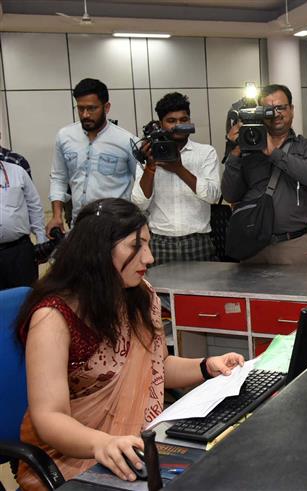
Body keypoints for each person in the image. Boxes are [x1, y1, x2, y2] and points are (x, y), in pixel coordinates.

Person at [14, 198, 244, 489]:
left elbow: (156, 366)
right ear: (98, 250)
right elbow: (49, 417)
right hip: (70, 459)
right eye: (136, 245)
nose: (148, 257)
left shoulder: (138, 295)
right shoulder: (53, 318)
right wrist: (103, 443)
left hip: (132, 446)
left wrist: (206, 366)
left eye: (147, 245)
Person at [222, 84, 307, 266]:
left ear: (291, 110)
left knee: (298, 294)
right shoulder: (247, 150)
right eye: (268, 110)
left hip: (294, 245)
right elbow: (230, 194)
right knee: (252, 295)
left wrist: (273, 152)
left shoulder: (306, 146)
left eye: (281, 108)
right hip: (253, 246)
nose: (276, 114)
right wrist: (235, 151)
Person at [131, 92, 221, 266]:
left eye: (183, 120)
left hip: (198, 240)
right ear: (161, 124)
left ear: (189, 121)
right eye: (171, 121)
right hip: (159, 242)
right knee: (159, 292)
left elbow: (213, 196)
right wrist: (150, 167)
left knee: (200, 292)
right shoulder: (149, 154)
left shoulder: (205, 153)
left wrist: (179, 169)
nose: (178, 125)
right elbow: (139, 204)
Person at [47, 78, 138, 236]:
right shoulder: (65, 136)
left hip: (116, 227)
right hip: (80, 225)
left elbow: (142, 184)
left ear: (106, 107)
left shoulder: (126, 141)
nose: (85, 115)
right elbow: (59, 178)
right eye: (80, 109)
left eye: (92, 108)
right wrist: (56, 215)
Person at [0, 160, 45, 289]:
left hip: (20, 251)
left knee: (26, 300)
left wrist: (41, 241)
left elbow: (34, 206)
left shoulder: (17, 171)